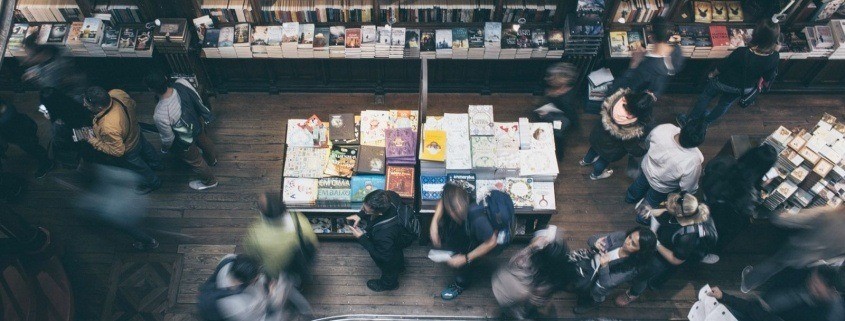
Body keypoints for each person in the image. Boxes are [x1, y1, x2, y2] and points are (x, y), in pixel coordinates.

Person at [617, 192, 717, 307]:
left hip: (664, 256)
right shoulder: (678, 213)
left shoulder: (687, 237)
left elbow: (676, 260)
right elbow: (666, 212)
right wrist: (651, 212)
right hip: (657, 241)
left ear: (679, 214)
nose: (669, 205)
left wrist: (657, 244)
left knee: (643, 275)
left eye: (673, 207)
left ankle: (633, 293)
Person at [678, 19, 780, 125]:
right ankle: (706, 123)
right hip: (744, 87)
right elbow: (768, 76)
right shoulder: (775, 56)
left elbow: (722, 66)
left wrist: (712, 74)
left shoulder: (742, 52)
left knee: (706, 96)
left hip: (724, 82)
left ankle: (690, 120)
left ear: (756, 34)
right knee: (724, 104)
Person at [740, 205, 845, 293]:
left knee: (773, 264)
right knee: (777, 267)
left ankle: (747, 283)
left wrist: (776, 214)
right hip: (810, 260)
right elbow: (837, 256)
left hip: (798, 247)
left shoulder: (828, 213)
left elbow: (793, 220)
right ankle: (753, 283)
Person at [144, 71, 219, 191]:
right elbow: (196, 98)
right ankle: (212, 160)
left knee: (196, 161)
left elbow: (168, 138)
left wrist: (164, 148)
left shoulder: (160, 113)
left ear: (150, 89)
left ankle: (210, 181)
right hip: (195, 121)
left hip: (184, 135)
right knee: (204, 141)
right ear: (165, 77)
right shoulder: (182, 83)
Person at [81, 86, 161, 194]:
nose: (84, 105)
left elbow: (118, 151)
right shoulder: (117, 93)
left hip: (129, 148)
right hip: (136, 132)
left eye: (87, 104)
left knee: (139, 168)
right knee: (147, 149)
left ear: (100, 108)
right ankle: (157, 164)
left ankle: (153, 183)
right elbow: (133, 104)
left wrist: (92, 140)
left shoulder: (107, 126)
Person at [430, 183, 501, 300]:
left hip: (485, 239)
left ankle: (460, 284)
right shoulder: (461, 195)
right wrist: (434, 223)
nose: (452, 213)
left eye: (453, 210)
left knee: (466, 260)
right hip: (470, 229)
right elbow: (443, 201)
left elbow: (492, 242)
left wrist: (466, 258)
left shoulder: (477, 219)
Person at [625, 119, 706, 221]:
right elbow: (688, 187)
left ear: (683, 128)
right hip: (661, 187)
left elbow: (647, 142)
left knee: (637, 186)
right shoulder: (693, 162)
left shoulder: (664, 129)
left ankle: (629, 198)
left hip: (646, 169)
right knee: (650, 202)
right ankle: (641, 218)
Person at [701, 145, 777, 249]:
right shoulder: (750, 194)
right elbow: (747, 212)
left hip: (705, 200)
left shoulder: (724, 161)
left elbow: (708, 170)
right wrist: (761, 187)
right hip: (720, 218)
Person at [492, 226, 575, 319]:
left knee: (520, 310)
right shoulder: (560, 270)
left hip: (521, 296)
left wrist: (533, 247)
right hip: (533, 295)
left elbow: (515, 262)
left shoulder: (525, 262)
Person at [570, 227, 658, 314]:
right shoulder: (620, 237)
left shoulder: (631, 267)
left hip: (600, 284)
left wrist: (604, 266)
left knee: (596, 293)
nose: (627, 241)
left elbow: (606, 283)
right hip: (593, 268)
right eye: (630, 237)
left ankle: (591, 304)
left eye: (633, 244)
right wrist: (595, 243)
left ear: (640, 251)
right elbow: (592, 239)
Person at [708, 266, 844, 321]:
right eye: (811, 280)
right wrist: (723, 297)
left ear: (832, 291)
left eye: (816, 287)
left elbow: (761, 314)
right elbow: (757, 311)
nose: (810, 286)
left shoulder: (823, 315)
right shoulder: (803, 275)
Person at [580, 88, 653, 180]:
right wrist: (642, 152)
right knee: (602, 161)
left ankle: (585, 161)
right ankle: (595, 175)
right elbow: (631, 147)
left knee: (593, 149)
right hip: (610, 149)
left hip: (597, 136)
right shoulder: (631, 128)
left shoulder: (616, 100)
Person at [243, 192, 318, 279]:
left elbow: (251, 255)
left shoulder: (256, 235)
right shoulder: (300, 220)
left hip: (276, 272)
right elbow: (313, 242)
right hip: (301, 262)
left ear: (263, 213)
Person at [202, 254, 297, 321]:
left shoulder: (228, 260)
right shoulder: (237, 305)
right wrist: (275, 302)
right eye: (255, 279)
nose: (260, 276)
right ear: (243, 282)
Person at [346, 189, 407, 292]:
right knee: (396, 250)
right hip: (400, 233)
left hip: (395, 237)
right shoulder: (390, 195)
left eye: (365, 210)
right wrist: (360, 215)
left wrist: (361, 237)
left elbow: (383, 257)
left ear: (379, 213)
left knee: (388, 263)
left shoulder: (383, 234)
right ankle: (400, 266)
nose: (363, 210)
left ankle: (389, 284)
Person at [610, 16, 684, 99]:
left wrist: (633, 64)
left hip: (636, 100)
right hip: (653, 97)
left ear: (650, 37)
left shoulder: (646, 66)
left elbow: (620, 90)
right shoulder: (677, 51)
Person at [20, 35, 88, 103]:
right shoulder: (54, 53)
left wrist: (34, 76)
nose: (27, 59)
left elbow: (51, 87)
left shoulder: (60, 64)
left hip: (74, 98)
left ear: (42, 53)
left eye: (31, 56)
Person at [38, 87, 93, 168]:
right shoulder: (76, 104)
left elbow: (61, 142)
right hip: (84, 133)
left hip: (75, 142)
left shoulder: (59, 125)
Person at [535, 62, 579, 160]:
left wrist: (547, 115)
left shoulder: (567, 99)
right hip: (553, 114)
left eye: (553, 78)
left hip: (560, 122)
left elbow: (570, 117)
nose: (549, 79)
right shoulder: (555, 89)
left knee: (558, 140)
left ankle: (558, 157)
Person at [0, 99, 53, 178]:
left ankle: (46, 162)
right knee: (29, 143)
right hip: (17, 129)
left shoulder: (8, 116)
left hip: (19, 131)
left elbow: (8, 112)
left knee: (30, 146)